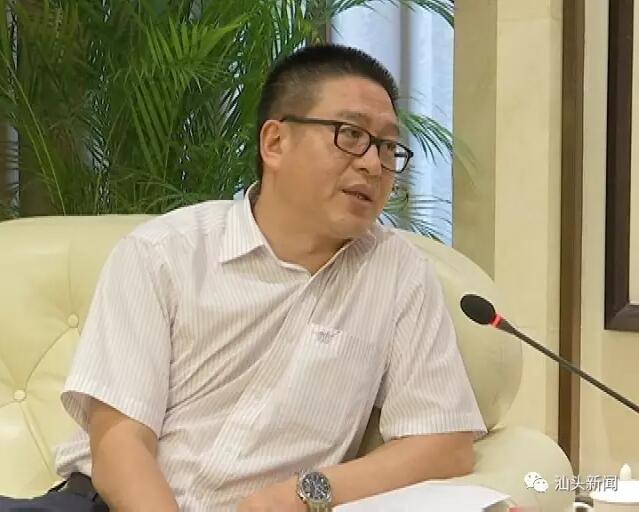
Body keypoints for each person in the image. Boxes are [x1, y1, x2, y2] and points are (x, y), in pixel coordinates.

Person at [0, 43, 486, 512]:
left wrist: (305, 493)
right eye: (350, 135)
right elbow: (119, 442)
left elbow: (445, 442)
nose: (373, 163)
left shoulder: (398, 274)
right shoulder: (164, 252)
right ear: (275, 143)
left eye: (387, 146)